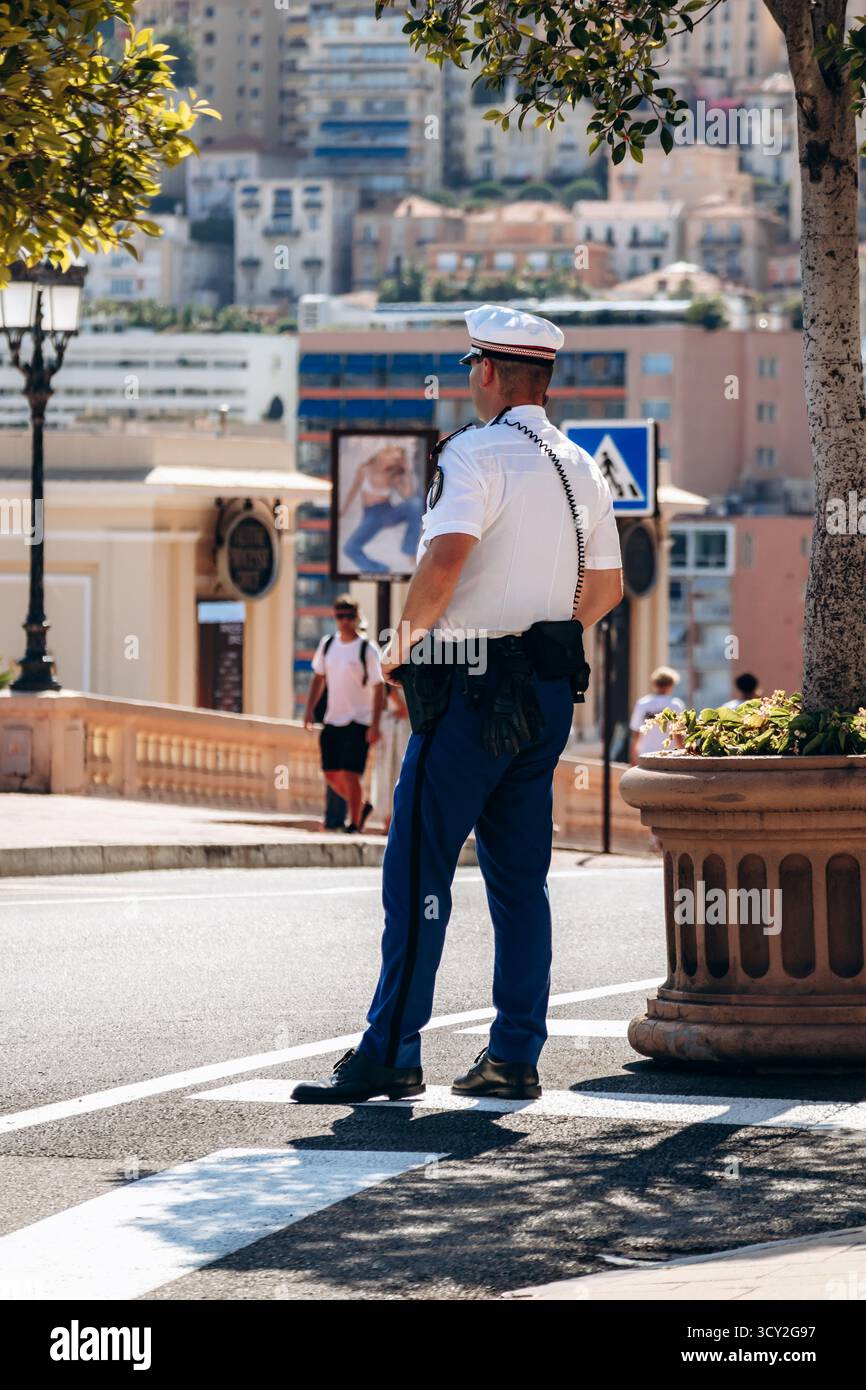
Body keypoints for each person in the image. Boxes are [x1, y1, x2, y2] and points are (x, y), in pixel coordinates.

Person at [293, 303, 623, 1106]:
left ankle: (392, 1053)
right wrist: (541, 639)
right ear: (540, 379)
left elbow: (443, 564)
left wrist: (399, 648)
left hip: (470, 694)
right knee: (520, 880)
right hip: (544, 696)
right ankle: (514, 1056)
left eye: (473, 366)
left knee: (417, 870)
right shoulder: (582, 465)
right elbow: (608, 588)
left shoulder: (475, 455)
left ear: (486, 373)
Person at [304, 596, 384, 833]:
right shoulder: (327, 645)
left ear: (356, 617)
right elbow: (318, 678)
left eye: (349, 616)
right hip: (332, 718)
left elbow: (379, 687)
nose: (345, 621)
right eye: (340, 616)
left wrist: (375, 725)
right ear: (335, 618)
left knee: (350, 774)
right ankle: (361, 806)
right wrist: (309, 709)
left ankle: (355, 823)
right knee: (330, 773)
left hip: (359, 720)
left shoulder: (367, 649)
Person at [340, 444, 424, 574]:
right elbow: (353, 490)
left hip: (387, 512)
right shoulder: (365, 469)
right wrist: (344, 509)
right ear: (385, 453)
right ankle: (381, 570)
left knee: (416, 503)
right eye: (393, 457)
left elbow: (408, 496)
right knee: (350, 548)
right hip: (371, 515)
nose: (394, 462)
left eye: (398, 460)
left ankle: (409, 548)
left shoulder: (393, 475)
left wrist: (407, 471)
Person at [370, 683, 411, 833]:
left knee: (400, 773)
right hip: (396, 724)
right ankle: (389, 822)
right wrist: (404, 707)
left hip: (406, 725)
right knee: (389, 773)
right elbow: (386, 684)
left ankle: (395, 823)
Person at [629, 666, 685, 763]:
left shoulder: (643, 703)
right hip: (669, 756)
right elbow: (679, 735)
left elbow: (636, 733)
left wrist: (632, 758)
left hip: (645, 755)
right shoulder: (676, 705)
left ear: (654, 684)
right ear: (671, 685)